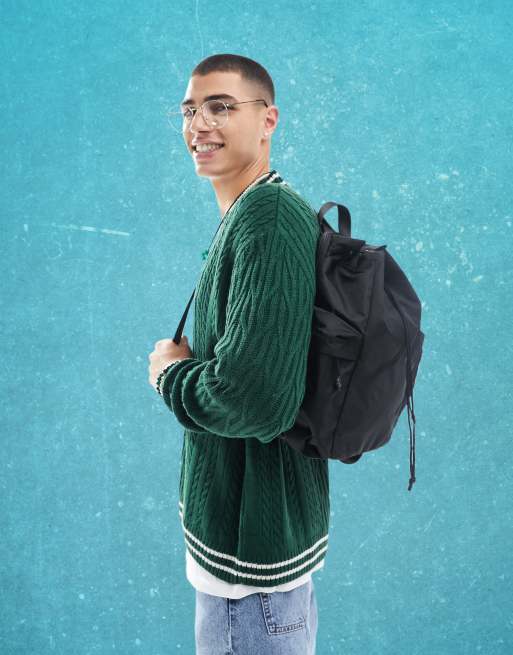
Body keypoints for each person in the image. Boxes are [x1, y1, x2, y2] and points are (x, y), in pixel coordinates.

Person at [147, 53, 329, 655]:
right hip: (248, 568)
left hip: (249, 585)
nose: (199, 124)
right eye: (189, 110)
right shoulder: (247, 212)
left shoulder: (268, 219)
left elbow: (255, 400)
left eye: (221, 107)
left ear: (268, 120)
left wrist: (171, 376)